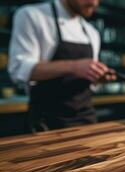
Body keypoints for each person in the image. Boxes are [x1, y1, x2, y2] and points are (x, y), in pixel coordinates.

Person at [8, 0, 116, 132]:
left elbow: (88, 79)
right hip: (46, 124)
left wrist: (98, 77)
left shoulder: (91, 32)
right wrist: (73, 67)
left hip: (86, 120)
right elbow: (19, 68)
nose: (94, 3)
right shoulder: (32, 15)